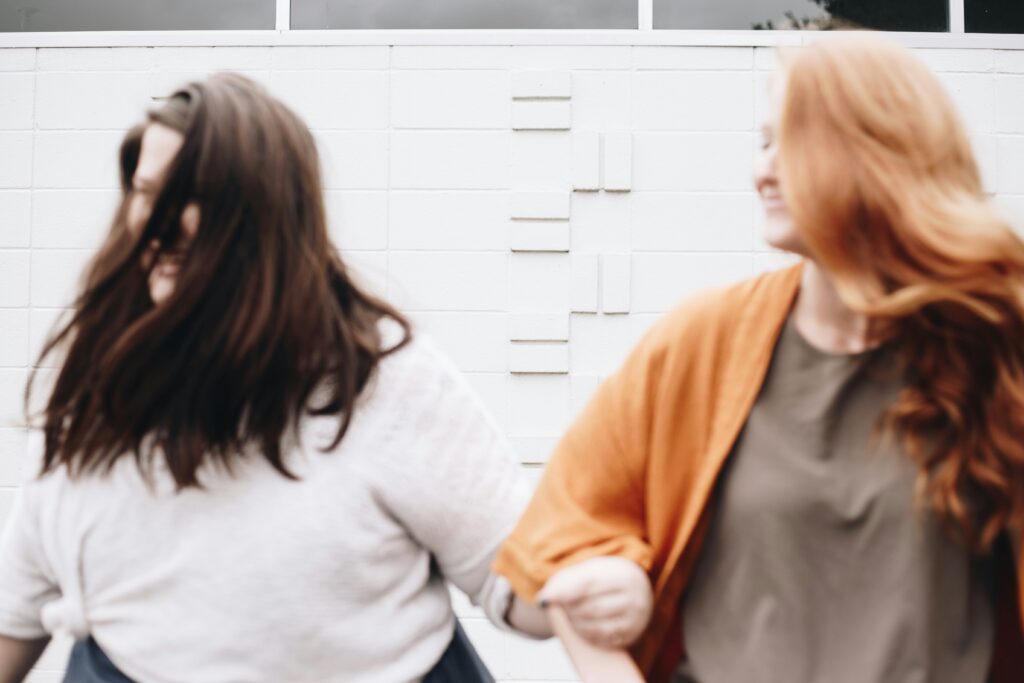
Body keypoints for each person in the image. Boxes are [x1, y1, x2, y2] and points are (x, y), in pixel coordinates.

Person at [496, 34, 1024, 683]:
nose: (761, 169)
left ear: (879, 155)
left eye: (789, 142)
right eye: (762, 141)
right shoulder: (701, 343)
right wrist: (606, 579)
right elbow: (544, 560)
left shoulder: (996, 349)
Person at [0, 73, 529, 683]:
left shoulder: (383, 377)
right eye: (147, 196)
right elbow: (18, 609)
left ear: (265, 221)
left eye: (192, 202)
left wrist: (590, 588)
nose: (160, 228)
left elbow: (518, 575)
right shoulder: (93, 392)